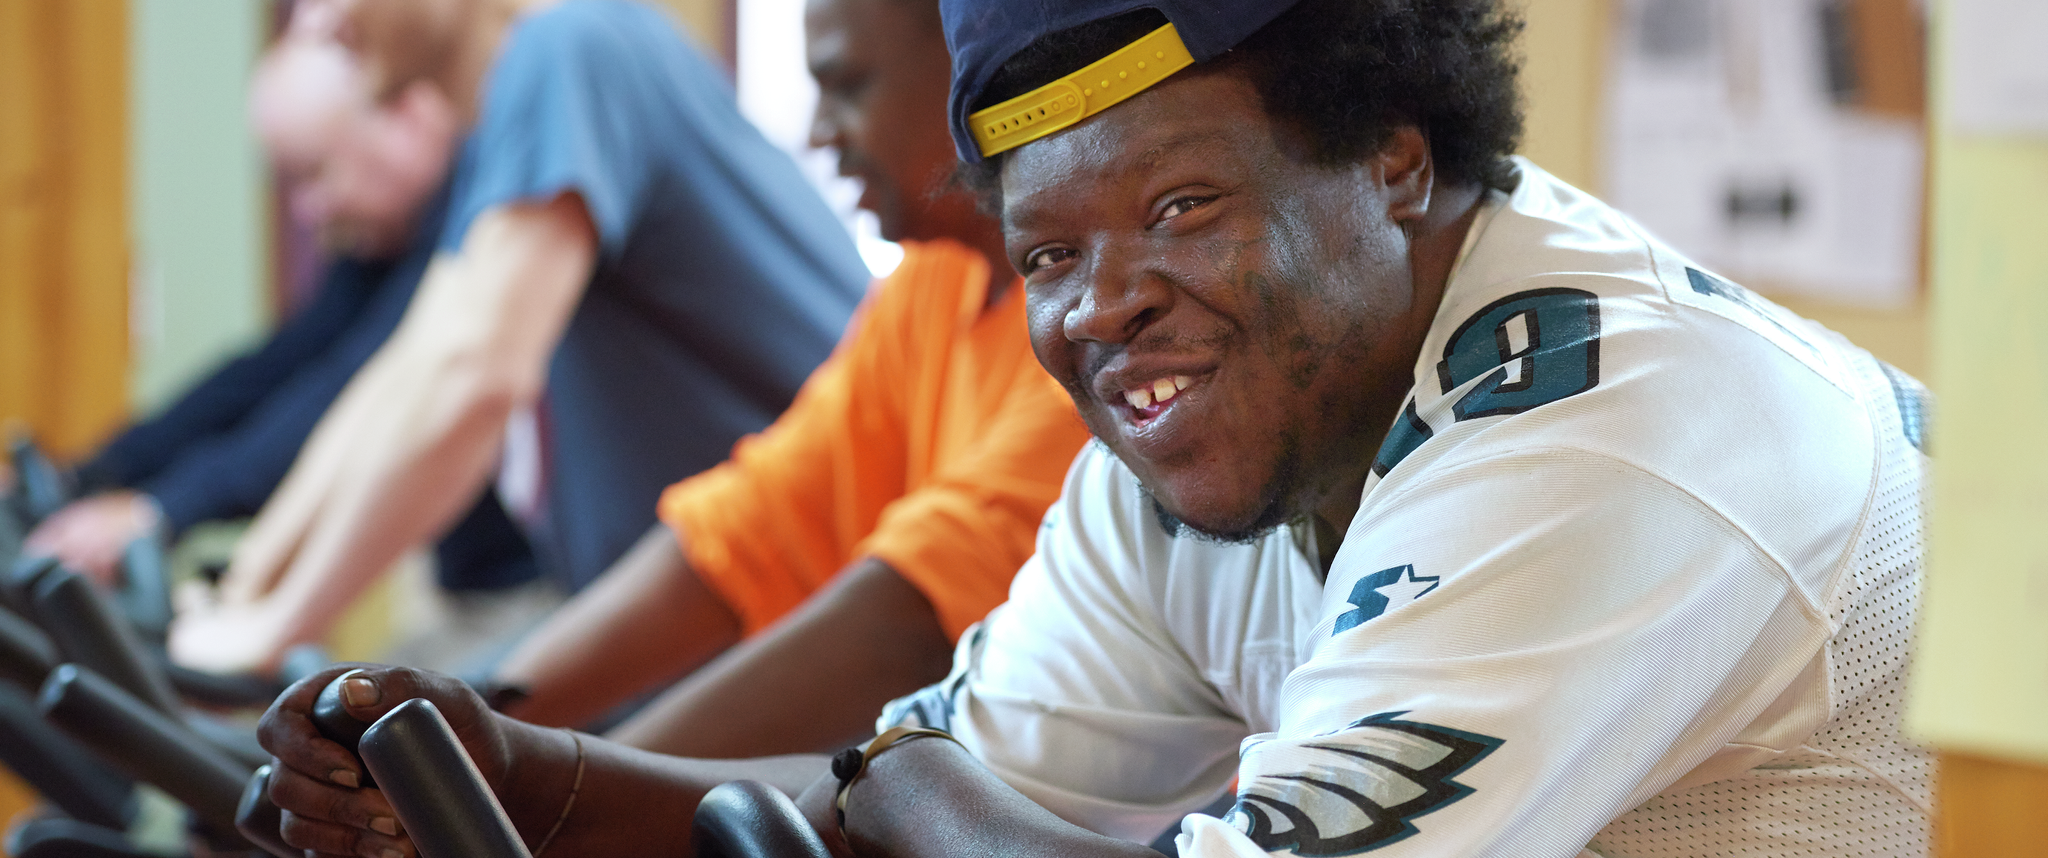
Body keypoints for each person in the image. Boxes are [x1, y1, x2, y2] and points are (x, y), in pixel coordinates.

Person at [257, 0, 1933, 855]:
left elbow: (924, 802)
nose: (1103, 303)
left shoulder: (1595, 440)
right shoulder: (1211, 441)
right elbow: (920, 792)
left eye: (1185, 205)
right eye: (1048, 251)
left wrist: (913, 791)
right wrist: (525, 778)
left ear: (1392, 157)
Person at [170, 0, 871, 674]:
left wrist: (276, 626)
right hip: (702, 614)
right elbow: (410, 369)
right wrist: (247, 586)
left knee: (380, 767)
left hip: (812, 617)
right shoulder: (503, 120)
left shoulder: (567, 53)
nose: (317, 22)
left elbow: (474, 380)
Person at [488, 0, 1090, 755]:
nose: (817, 133)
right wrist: (483, 717)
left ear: (974, 57)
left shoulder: (1090, 314)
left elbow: (909, 619)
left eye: (848, 86)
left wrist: (546, 788)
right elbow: (756, 523)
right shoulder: (935, 280)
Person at [25, 33, 539, 597]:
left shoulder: (486, 216)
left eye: (319, 173)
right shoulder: (382, 246)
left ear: (410, 121)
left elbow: (353, 390)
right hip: (478, 588)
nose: (306, 209)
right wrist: (94, 475)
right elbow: (276, 367)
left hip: (537, 587)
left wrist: (162, 510)